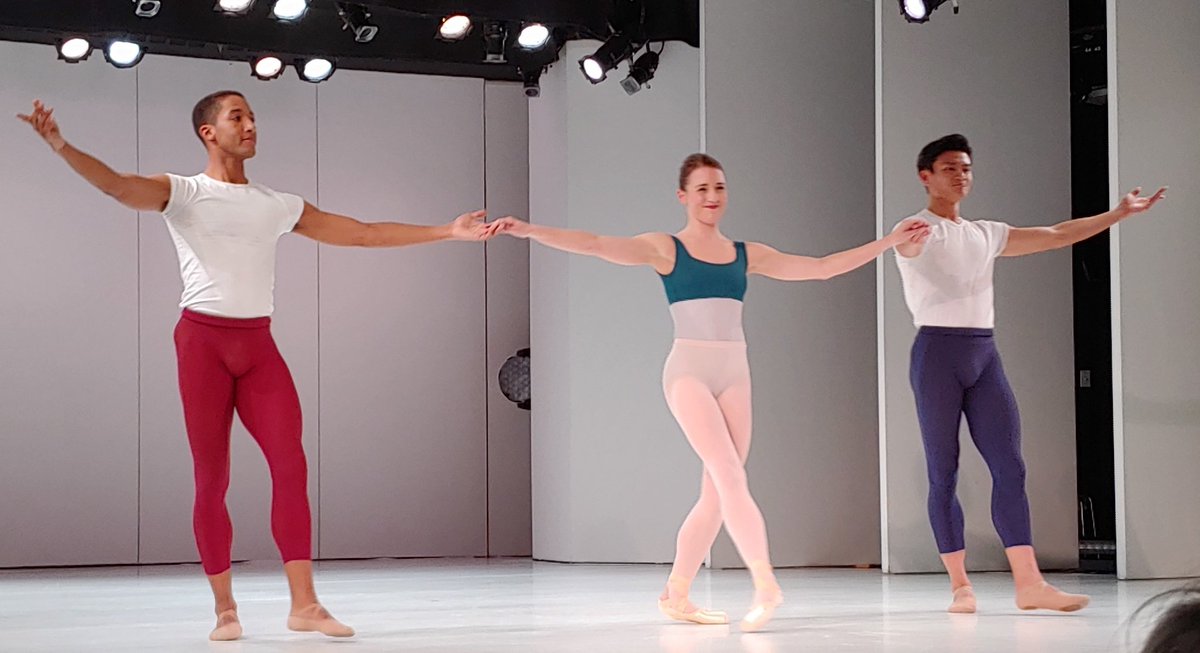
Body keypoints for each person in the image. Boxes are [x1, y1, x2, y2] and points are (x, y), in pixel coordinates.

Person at [17, 93, 493, 641]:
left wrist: (447, 231)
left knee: (291, 466)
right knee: (211, 477)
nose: (250, 125)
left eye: (253, 117)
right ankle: (225, 609)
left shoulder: (276, 204)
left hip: (258, 345)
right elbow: (118, 186)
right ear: (208, 132)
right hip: (202, 343)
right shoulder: (183, 192)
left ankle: (305, 605)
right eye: (237, 117)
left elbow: (362, 232)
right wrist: (60, 144)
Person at [491, 152, 929, 631]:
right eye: (701, 189)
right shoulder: (666, 249)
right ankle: (766, 584)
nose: (712, 197)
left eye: (719, 187)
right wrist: (529, 230)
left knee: (718, 494)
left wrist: (890, 241)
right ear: (683, 196)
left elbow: (822, 267)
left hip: (735, 372)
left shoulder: (746, 254)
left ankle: (675, 594)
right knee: (730, 476)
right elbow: (595, 244)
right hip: (688, 372)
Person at [892, 133, 1166, 614]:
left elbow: (1056, 234)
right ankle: (960, 586)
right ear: (925, 176)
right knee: (944, 471)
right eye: (950, 167)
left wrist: (1118, 214)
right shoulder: (916, 229)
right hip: (936, 354)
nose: (961, 176)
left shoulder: (986, 233)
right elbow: (908, 249)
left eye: (966, 168)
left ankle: (1029, 583)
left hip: (983, 353)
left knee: (1010, 466)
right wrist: (908, 241)